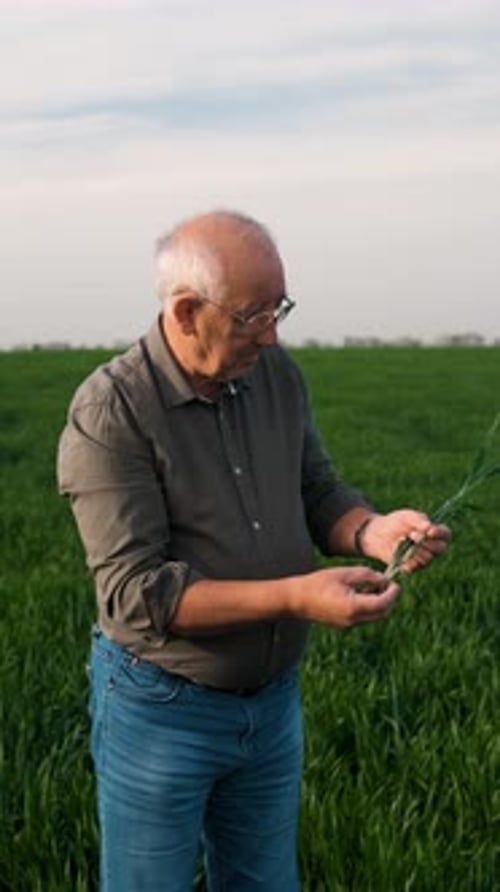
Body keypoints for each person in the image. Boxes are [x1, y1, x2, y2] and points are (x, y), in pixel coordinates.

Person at [57, 210, 449, 892]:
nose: (271, 335)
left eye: (279, 309)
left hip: (270, 706)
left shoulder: (275, 376)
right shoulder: (111, 411)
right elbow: (136, 593)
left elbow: (317, 490)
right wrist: (297, 596)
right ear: (185, 312)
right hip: (162, 709)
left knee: (265, 882)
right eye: (253, 316)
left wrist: (372, 530)